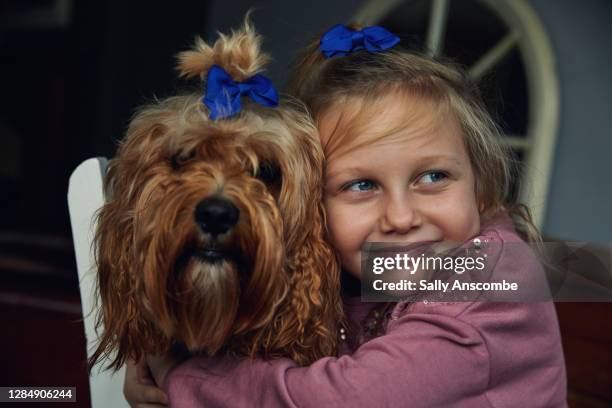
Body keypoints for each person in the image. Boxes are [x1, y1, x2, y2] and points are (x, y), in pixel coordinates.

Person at [125, 23, 567, 407]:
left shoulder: (493, 281)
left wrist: (180, 378)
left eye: (432, 176)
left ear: (482, 185)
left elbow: (346, 400)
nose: (400, 216)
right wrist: (154, 349)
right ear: (313, 209)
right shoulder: (344, 273)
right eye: (361, 185)